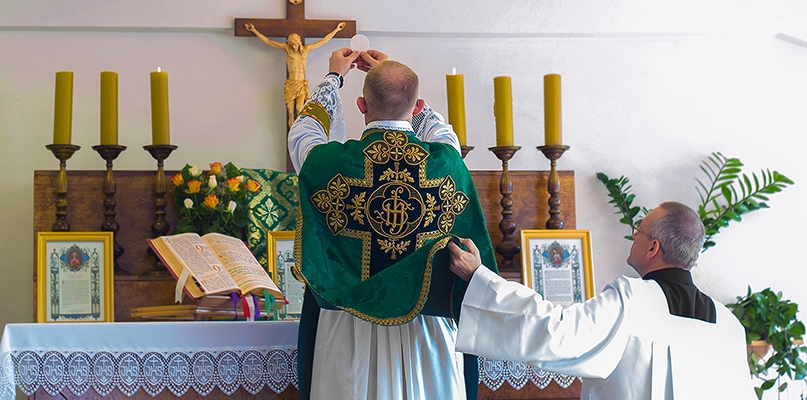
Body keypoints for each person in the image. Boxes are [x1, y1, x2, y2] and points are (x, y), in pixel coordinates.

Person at [288, 48, 497, 399]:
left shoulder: (331, 164)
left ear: (361, 105)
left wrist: (332, 78)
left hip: (349, 324)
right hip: (427, 330)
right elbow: (444, 133)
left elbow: (303, 132)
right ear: (417, 108)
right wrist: (392, 76)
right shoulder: (446, 162)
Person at [447, 201, 756, 399]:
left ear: (653, 248)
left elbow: (557, 332)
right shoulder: (730, 324)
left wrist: (481, 279)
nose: (633, 236)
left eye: (639, 231)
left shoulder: (633, 301)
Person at [244, 21, 346, 128]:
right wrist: (253, 30)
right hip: (291, 84)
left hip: (301, 84)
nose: (293, 47)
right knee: (290, 112)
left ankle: (299, 130)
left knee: (299, 109)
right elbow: (268, 41)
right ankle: (291, 137)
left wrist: (337, 29)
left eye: (294, 44)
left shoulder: (306, 50)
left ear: (298, 43)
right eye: (291, 44)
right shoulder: (287, 49)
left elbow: (323, 41)